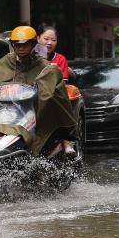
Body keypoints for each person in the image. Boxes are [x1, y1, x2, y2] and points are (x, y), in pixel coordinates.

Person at [0, 25, 77, 158]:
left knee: (52, 103)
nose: (21, 48)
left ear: (33, 44)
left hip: (33, 108)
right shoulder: (7, 61)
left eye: (25, 44)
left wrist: (42, 90)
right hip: (7, 107)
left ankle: (60, 143)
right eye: (17, 45)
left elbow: (51, 82)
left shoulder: (42, 64)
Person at [37, 24, 75, 156]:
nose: (49, 43)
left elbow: (62, 83)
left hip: (53, 96)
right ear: (38, 39)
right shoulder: (30, 57)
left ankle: (66, 142)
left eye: (53, 40)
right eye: (46, 39)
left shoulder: (60, 59)